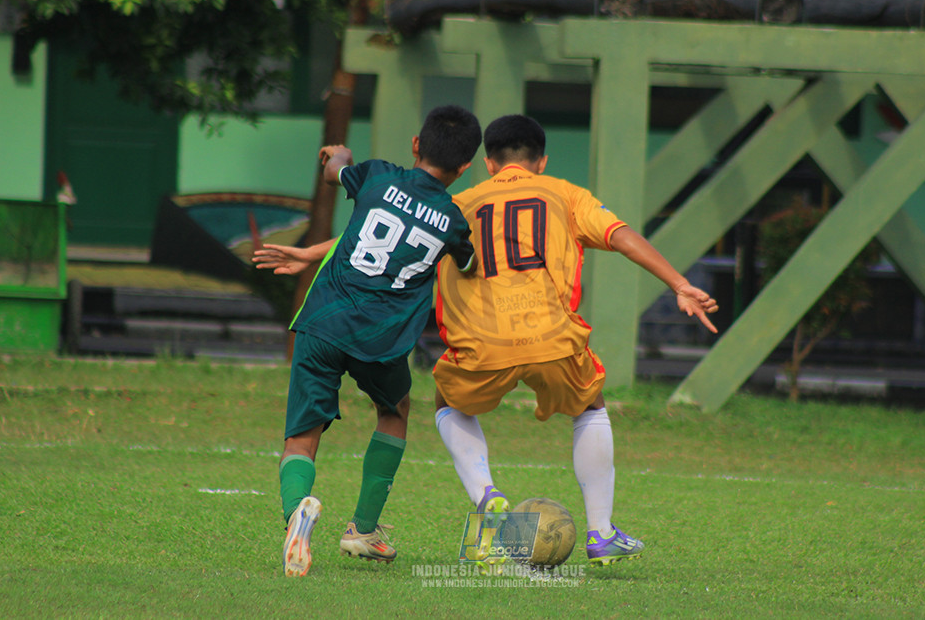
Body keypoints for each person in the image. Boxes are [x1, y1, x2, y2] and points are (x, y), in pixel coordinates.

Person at [432, 114, 718, 567]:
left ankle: (487, 497)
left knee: (447, 401)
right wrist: (679, 284)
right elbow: (621, 237)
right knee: (590, 404)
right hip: (551, 337)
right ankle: (601, 533)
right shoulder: (564, 194)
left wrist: (314, 253)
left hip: (482, 341)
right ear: (541, 161)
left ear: (489, 163)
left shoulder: (459, 202)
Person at [252, 105, 481, 576]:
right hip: (383, 339)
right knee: (394, 411)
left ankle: (298, 510)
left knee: (301, 436)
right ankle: (363, 531)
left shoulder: (376, 178)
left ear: (416, 145)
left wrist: (339, 154)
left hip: (323, 323)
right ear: (464, 168)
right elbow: (470, 265)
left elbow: (337, 172)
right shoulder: (453, 221)